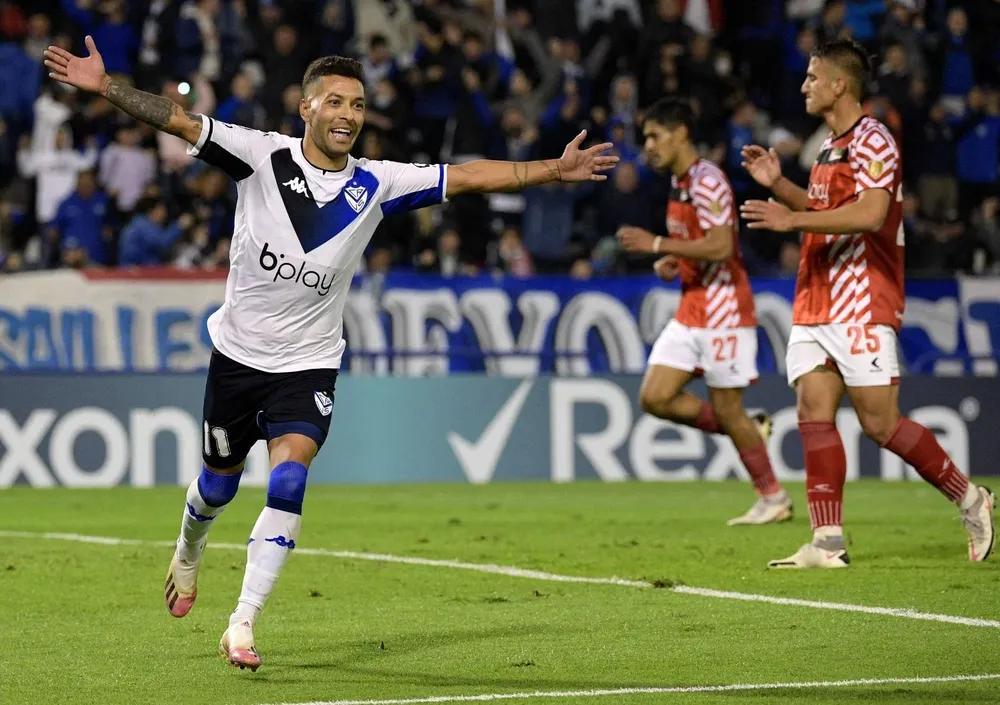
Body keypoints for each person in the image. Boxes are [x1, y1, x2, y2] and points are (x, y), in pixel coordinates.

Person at [44, 36, 617, 670]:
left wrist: (549, 170)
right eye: (337, 100)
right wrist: (107, 89)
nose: (349, 113)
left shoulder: (379, 182)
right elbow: (174, 117)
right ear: (308, 108)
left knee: (289, 478)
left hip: (309, 362)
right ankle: (188, 549)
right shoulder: (260, 157)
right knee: (215, 488)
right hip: (237, 358)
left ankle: (243, 621)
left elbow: (470, 176)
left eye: (359, 104)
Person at [739, 39, 995, 568]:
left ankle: (971, 498)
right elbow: (823, 207)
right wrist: (781, 187)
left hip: (861, 298)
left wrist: (793, 220)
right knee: (813, 409)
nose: (805, 85)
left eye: (813, 77)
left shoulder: (874, 139)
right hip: (816, 296)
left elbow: (871, 213)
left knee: (880, 424)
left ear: (839, 85)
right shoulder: (828, 146)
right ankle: (826, 541)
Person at [617, 98, 791, 527]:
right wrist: (673, 262)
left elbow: (722, 246)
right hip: (693, 304)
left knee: (727, 408)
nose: (649, 146)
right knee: (655, 397)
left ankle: (773, 497)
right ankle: (747, 426)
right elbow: (699, 246)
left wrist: (658, 245)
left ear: (680, 133)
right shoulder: (679, 183)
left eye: (655, 136)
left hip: (724, 309)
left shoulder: (707, 181)